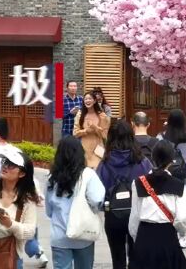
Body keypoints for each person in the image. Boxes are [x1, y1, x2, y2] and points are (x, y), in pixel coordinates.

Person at [96, 120, 152, 269]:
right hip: (138, 214)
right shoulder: (142, 162)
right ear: (131, 136)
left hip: (113, 215)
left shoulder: (104, 163)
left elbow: (98, 193)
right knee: (136, 258)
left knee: (117, 259)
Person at [128, 140, 186, 269]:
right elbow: (182, 218)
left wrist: (136, 238)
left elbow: (134, 217)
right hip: (167, 236)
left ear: (153, 158)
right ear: (172, 160)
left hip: (145, 235)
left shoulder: (138, 183)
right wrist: (181, 234)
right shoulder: (178, 185)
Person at [45, 136, 105, 268]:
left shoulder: (52, 178)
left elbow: (49, 211)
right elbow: (97, 200)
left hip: (59, 235)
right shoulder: (88, 175)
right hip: (83, 234)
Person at [159, 109, 186, 248]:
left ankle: (167, 233)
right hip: (182, 174)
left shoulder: (162, 136)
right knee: (181, 204)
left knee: (167, 202)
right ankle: (181, 236)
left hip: (167, 173)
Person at [74, 91, 110, 169]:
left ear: (94, 101)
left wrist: (95, 127)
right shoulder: (80, 114)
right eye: (86, 99)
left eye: (90, 99)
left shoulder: (102, 115)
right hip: (84, 148)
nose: (87, 101)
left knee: (97, 171)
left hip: (98, 149)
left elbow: (104, 135)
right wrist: (85, 131)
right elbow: (75, 133)